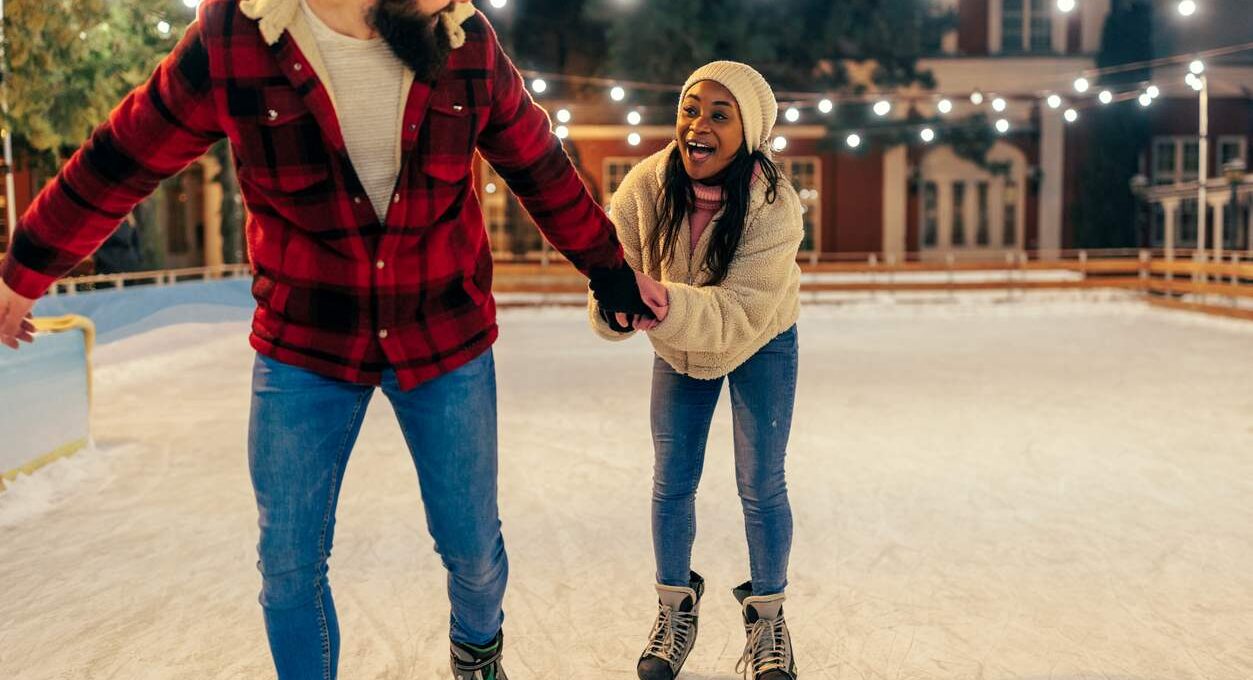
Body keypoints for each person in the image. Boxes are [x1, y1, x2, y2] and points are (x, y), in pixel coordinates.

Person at [0, 1, 657, 678]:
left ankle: (478, 656)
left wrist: (609, 269)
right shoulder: (237, 38)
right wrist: (26, 270)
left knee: (472, 549)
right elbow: (121, 159)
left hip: (442, 332)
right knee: (287, 564)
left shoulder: (465, 42)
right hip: (305, 340)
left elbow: (540, 168)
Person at [588, 61, 804, 680]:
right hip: (678, 343)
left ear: (750, 130)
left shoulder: (772, 204)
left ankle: (768, 620)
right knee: (671, 480)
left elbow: (740, 313)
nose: (696, 125)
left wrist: (661, 301)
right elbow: (610, 270)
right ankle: (674, 609)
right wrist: (617, 307)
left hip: (762, 339)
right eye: (689, 108)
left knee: (761, 482)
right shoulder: (646, 187)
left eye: (718, 114)